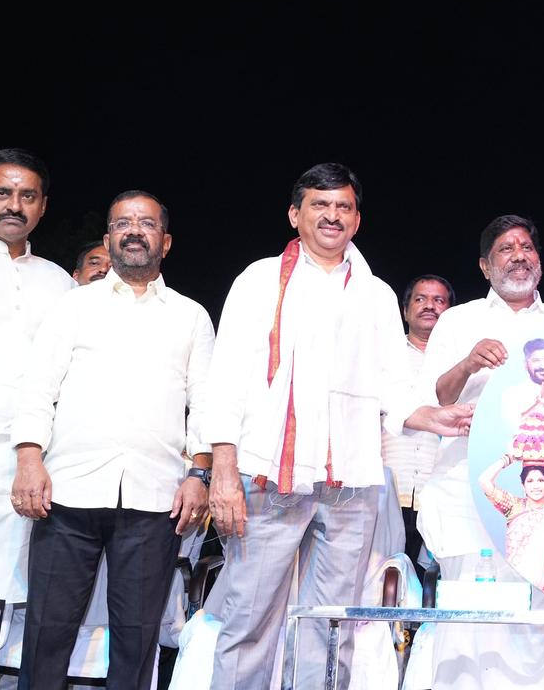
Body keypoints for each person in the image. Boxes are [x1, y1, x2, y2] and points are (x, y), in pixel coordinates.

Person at [201, 164, 472, 689]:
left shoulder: (374, 293)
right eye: (319, 205)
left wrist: (430, 416)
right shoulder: (259, 280)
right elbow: (226, 380)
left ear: (357, 219)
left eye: (343, 207)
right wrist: (224, 474)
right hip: (267, 479)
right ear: (295, 214)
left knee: (332, 625)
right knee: (250, 620)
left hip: (349, 483)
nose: (331, 215)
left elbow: (393, 384)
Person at [11, 190, 213, 688]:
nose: (134, 230)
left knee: (136, 639)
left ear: (165, 242)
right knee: (47, 632)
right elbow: (38, 388)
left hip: (154, 499)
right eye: (123, 223)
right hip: (68, 493)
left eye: (146, 223)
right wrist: (29, 459)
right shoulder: (74, 306)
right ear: (109, 238)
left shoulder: (190, 315)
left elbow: (206, 406)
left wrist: (199, 473)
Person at [416, 214, 544, 690]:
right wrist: (467, 363)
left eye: (527, 247)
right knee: (470, 626)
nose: (519, 255)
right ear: (486, 266)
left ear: (540, 264)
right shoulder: (458, 320)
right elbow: (435, 399)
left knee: (541, 626)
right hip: (470, 494)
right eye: (506, 249)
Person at [0, 148, 74, 617]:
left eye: (28, 196)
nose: (14, 206)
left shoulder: (59, 283)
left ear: (42, 207)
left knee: (14, 595)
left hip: (31, 461)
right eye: (2, 193)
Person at [382, 274, 455, 581]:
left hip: (441, 492)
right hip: (387, 489)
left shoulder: (460, 362)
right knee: (384, 578)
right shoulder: (383, 356)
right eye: (421, 299)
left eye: (439, 301)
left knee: (436, 582)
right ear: (405, 310)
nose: (429, 306)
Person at [478, 455, 544, 595]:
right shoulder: (514, 506)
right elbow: (484, 481)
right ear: (523, 485)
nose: (536, 486)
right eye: (530, 481)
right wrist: (508, 459)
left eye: (540, 480)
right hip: (516, 587)